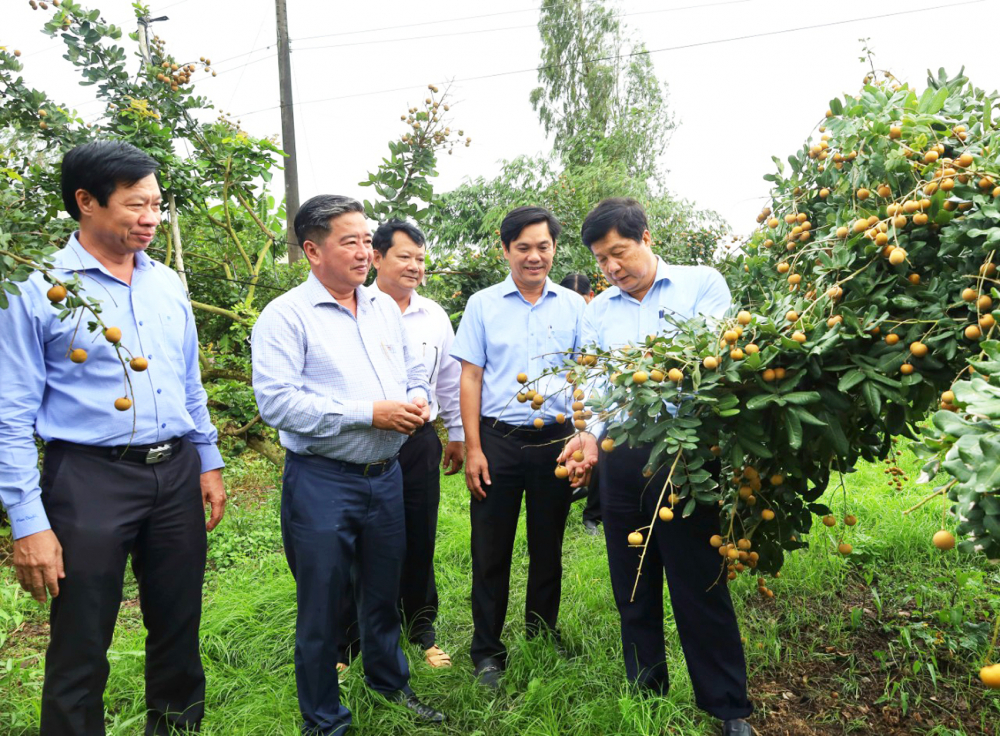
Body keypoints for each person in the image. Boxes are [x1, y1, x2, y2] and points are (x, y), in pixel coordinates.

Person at [0, 140, 226, 736]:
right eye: (135, 205)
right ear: (86, 202)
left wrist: (208, 460)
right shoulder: (36, 288)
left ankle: (177, 728)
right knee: (81, 640)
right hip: (89, 480)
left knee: (179, 627)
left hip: (175, 472)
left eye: (156, 205)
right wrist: (28, 521)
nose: (151, 218)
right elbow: (10, 411)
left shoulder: (167, 284)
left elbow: (187, 382)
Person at [251, 195, 446, 735]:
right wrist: (370, 413)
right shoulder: (286, 316)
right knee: (322, 606)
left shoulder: (382, 304)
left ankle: (390, 685)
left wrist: (414, 398)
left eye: (367, 240)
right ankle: (324, 718)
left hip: (384, 477)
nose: (365, 252)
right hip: (323, 481)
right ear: (313, 250)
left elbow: (413, 368)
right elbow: (278, 403)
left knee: (382, 593)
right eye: (350, 241)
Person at [560, 198, 754, 736]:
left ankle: (727, 708)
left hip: (688, 455)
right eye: (601, 260)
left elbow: (715, 360)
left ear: (646, 237)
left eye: (618, 253)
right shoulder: (597, 311)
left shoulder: (701, 284)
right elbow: (596, 386)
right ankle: (646, 691)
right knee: (633, 579)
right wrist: (589, 438)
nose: (612, 268)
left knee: (701, 584)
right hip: (624, 457)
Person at [451, 206, 586, 688]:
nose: (535, 256)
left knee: (548, 546)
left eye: (543, 246)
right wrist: (473, 447)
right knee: (491, 550)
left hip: (556, 444)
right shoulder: (483, 304)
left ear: (554, 248)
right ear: (505, 250)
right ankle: (487, 650)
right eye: (524, 247)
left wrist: (580, 437)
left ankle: (541, 633)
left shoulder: (574, 306)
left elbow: (584, 375)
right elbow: (470, 376)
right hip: (498, 443)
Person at [337, 219, 464, 670]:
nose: (415, 266)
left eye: (421, 259)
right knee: (355, 544)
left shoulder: (433, 316)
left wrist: (457, 436)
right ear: (377, 258)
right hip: (361, 440)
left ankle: (421, 628)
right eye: (405, 256)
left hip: (418, 442)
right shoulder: (354, 308)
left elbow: (448, 381)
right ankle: (349, 639)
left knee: (418, 535)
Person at [558, 273, 601, 535]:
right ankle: (574, 491)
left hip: (596, 403)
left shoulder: (601, 319)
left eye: (581, 301)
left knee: (599, 454)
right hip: (567, 408)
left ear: (590, 298)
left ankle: (592, 514)